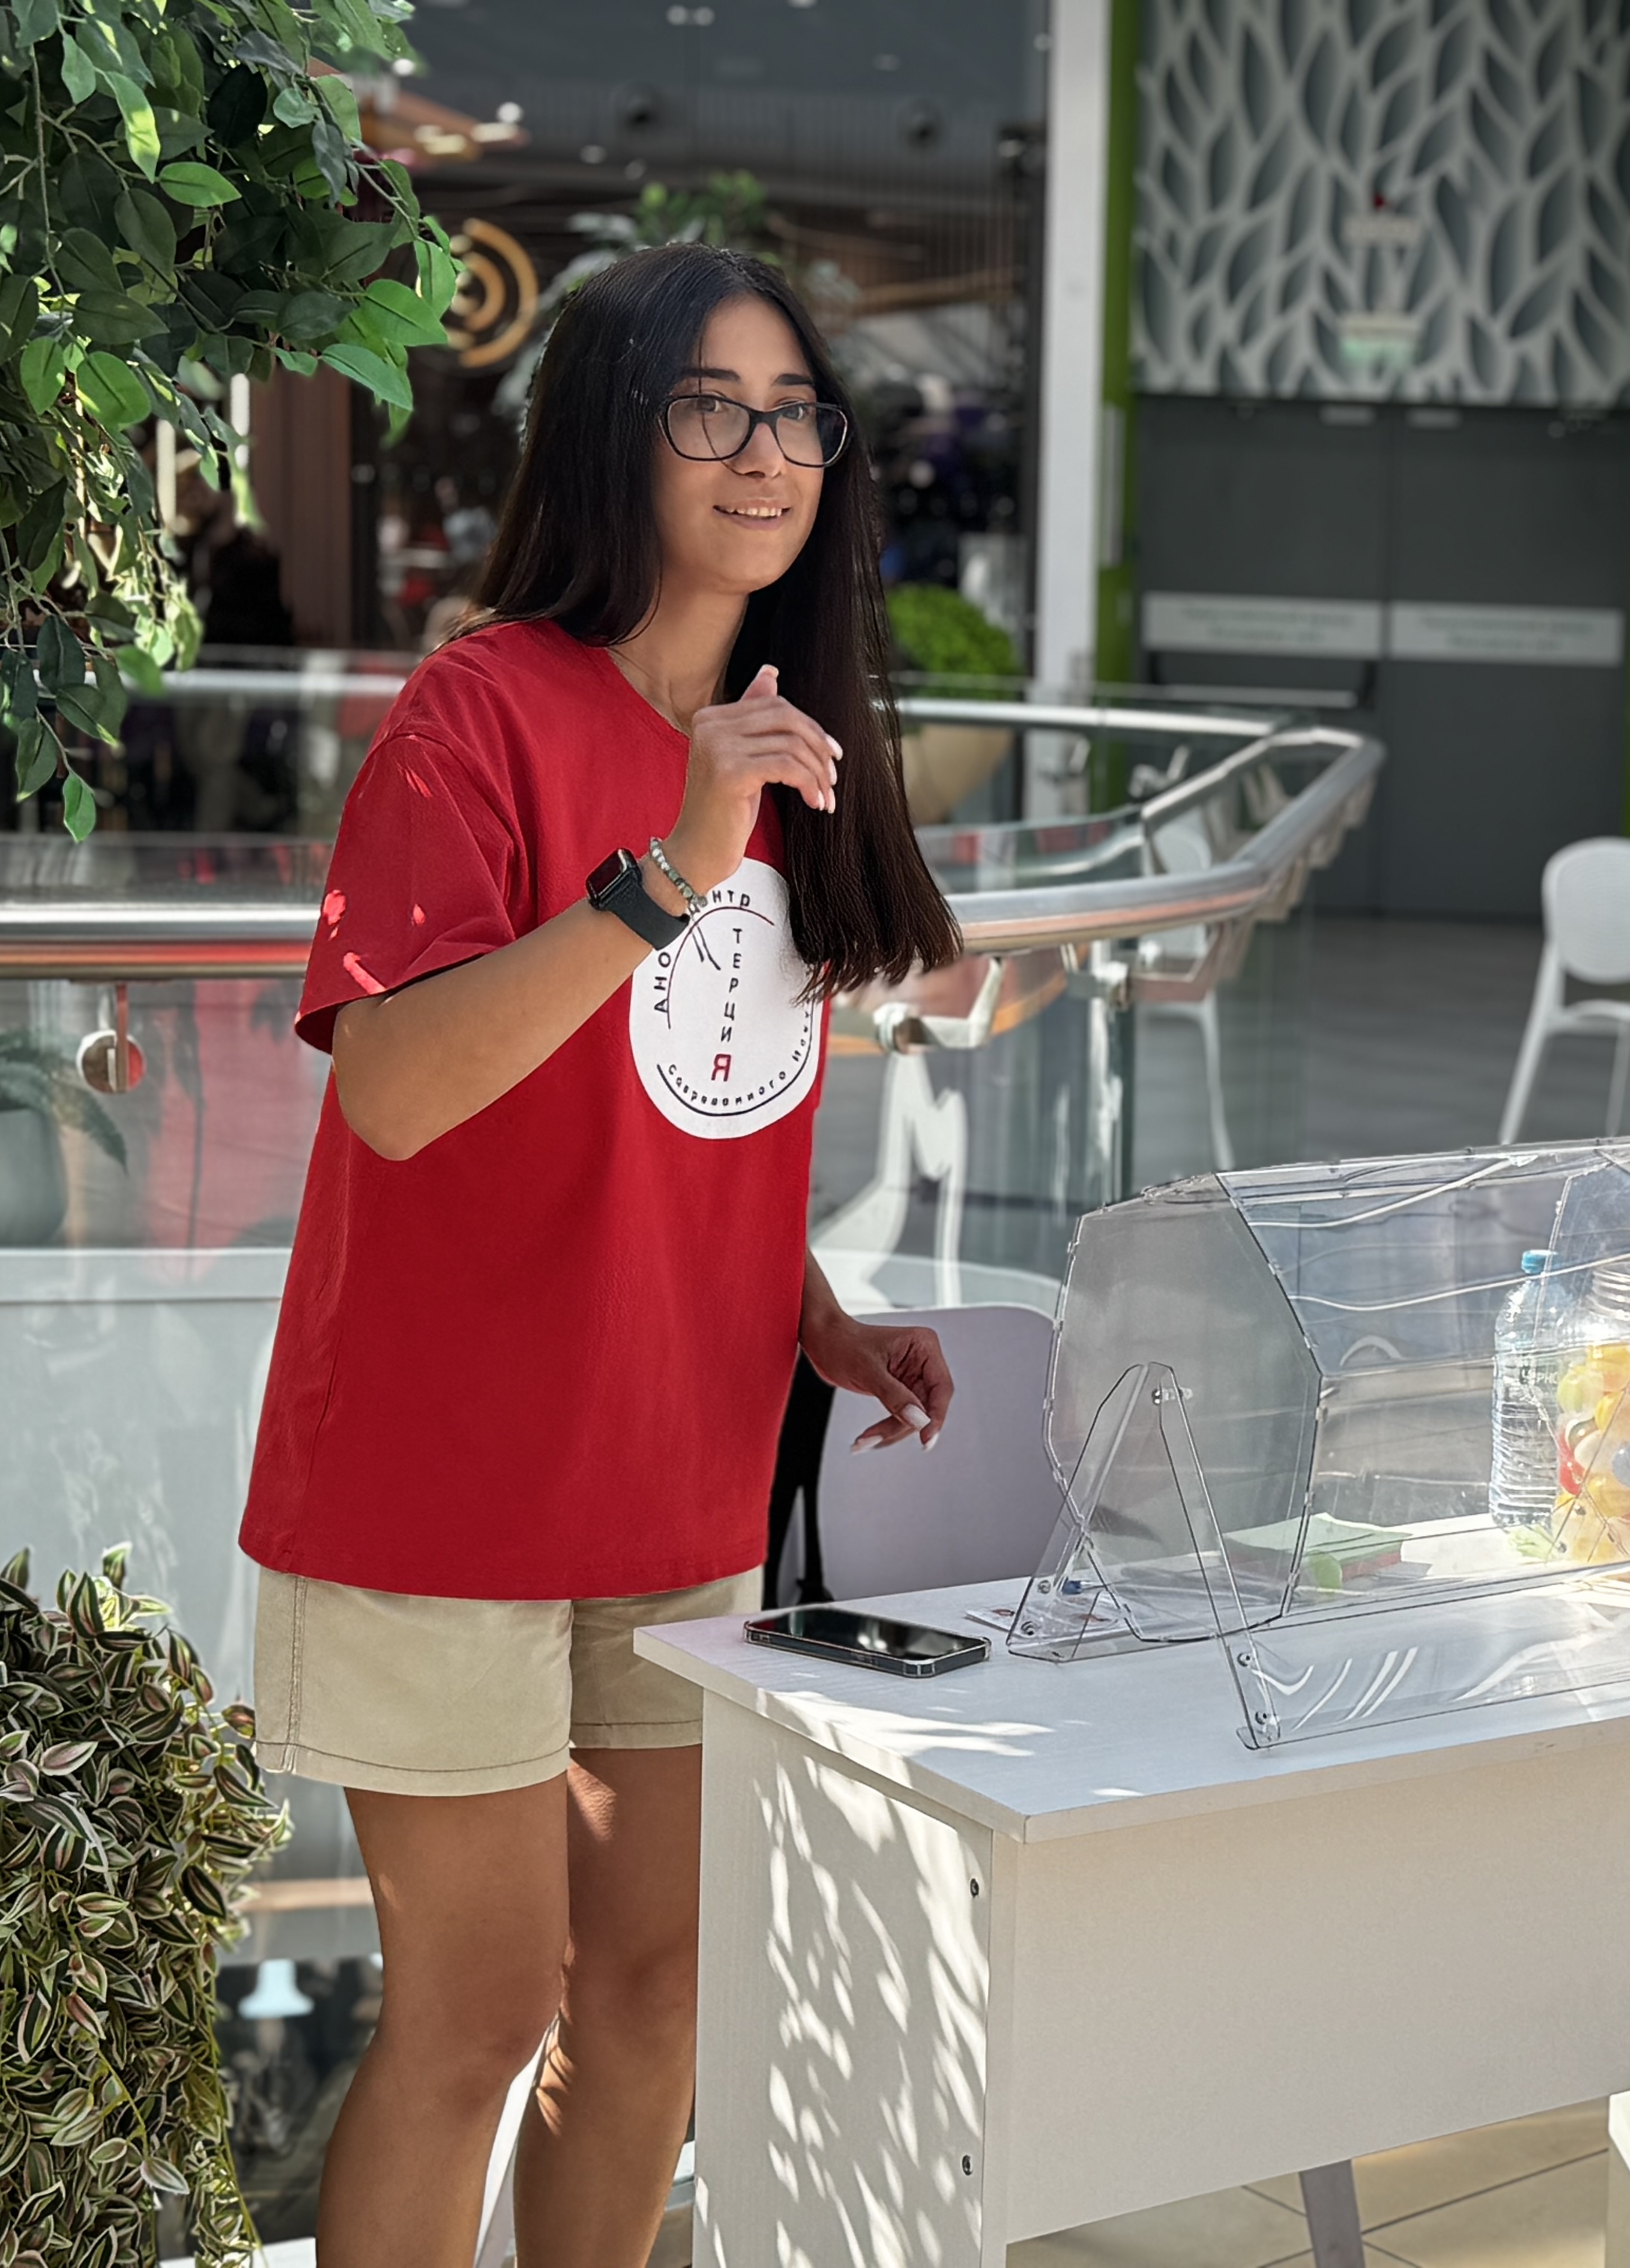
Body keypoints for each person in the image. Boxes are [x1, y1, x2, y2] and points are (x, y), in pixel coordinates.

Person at [238, 241, 963, 2266]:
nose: (766, 451)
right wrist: (661, 876)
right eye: (711, 407)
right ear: (609, 435)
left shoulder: (788, 738)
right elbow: (396, 1089)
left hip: (676, 1467)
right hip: (445, 1481)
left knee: (651, 2004)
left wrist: (811, 1311)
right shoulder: (476, 715)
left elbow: (685, 1105)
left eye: (797, 412)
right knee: (476, 2014)